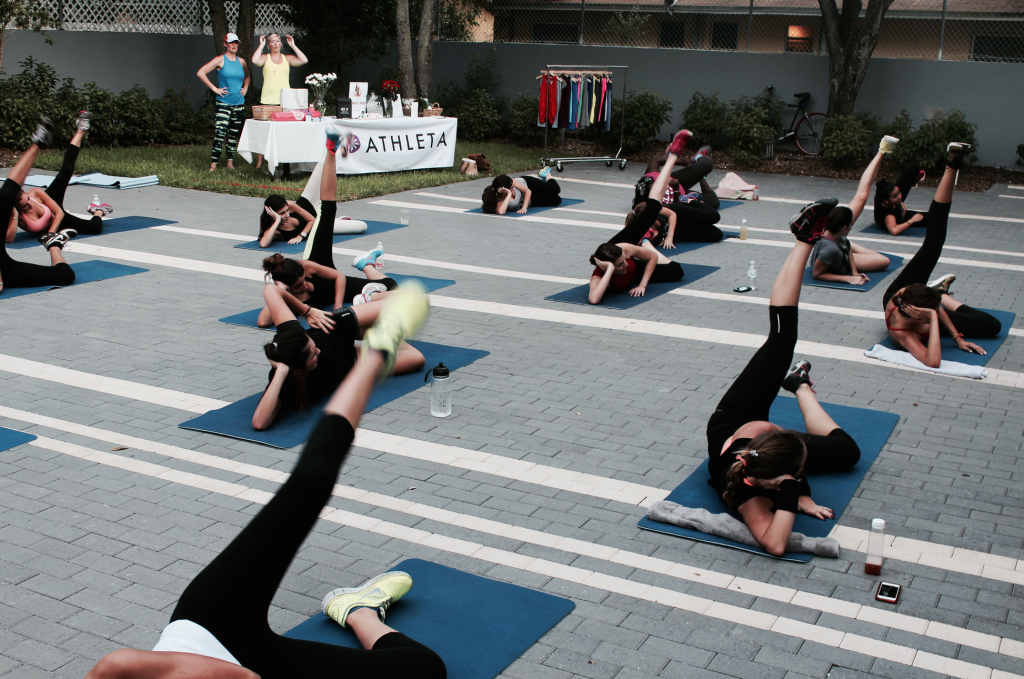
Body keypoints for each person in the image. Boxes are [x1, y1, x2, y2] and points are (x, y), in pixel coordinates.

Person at [84, 285, 447, 679]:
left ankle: (376, 352)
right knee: (425, 669)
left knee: (311, 481)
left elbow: (115, 664)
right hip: (253, 659)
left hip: (213, 622)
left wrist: (306, 312)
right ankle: (358, 609)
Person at [705, 213, 862, 557]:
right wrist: (794, 494)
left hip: (733, 421)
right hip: (761, 453)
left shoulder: (760, 442)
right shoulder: (753, 494)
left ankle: (804, 238)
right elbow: (775, 544)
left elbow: (775, 537)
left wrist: (799, 490)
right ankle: (800, 384)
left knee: (781, 338)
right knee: (849, 452)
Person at [252, 127, 424, 431]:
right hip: (351, 362)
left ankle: (331, 151)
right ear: (296, 370)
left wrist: (309, 312)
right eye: (309, 354)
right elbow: (259, 423)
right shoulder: (287, 383)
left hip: (337, 325)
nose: (314, 348)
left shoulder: (296, 326)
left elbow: (271, 295)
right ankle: (374, 320)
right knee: (417, 360)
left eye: (309, 344)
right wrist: (279, 372)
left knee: (407, 297)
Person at [881, 143, 999, 368]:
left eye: (935, 307)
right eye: (933, 309)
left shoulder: (903, 295)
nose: (936, 312)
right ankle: (940, 294)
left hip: (898, 294)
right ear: (920, 315)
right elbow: (933, 361)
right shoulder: (904, 335)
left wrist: (957, 337)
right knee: (991, 326)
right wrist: (934, 317)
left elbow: (930, 308)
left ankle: (951, 166)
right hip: (915, 305)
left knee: (934, 243)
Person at [587, 131, 691, 305]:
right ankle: (645, 242)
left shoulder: (623, 249)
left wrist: (643, 285)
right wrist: (611, 269)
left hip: (619, 249)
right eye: (621, 265)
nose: (625, 265)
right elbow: (594, 299)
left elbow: (652, 258)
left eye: (623, 261)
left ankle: (672, 155)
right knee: (676, 271)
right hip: (624, 270)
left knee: (653, 209)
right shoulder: (598, 276)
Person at [6, 111, 111, 244]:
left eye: (28, 199)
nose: (30, 203)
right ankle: (98, 210)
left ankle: (81, 129)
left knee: (67, 170)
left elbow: (59, 214)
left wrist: (50, 234)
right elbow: (9, 239)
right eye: (25, 206)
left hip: (54, 210)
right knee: (94, 228)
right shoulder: (15, 215)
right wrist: (14, 215)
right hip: (57, 223)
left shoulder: (35, 194)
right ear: (16, 207)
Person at [0, 118, 79, 295]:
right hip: (7, 272)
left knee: (6, 195)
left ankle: (38, 143)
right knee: (65, 274)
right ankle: (54, 245)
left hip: (3, 267)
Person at [809, 143, 893, 285]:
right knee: (884, 261)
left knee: (862, 197)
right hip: (833, 249)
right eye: (850, 226)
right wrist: (849, 278)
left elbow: (845, 243)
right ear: (845, 227)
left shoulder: (839, 234)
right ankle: (881, 151)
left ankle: (882, 152)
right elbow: (816, 274)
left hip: (837, 240)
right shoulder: (829, 249)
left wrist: (854, 272)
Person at [258, 155, 369, 247]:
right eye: (282, 213)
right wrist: (277, 220)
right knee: (362, 226)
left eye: (287, 211)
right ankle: (337, 220)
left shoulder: (290, 205)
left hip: (309, 204)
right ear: (272, 214)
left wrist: (301, 236)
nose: (287, 215)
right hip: (319, 223)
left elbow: (311, 219)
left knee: (321, 166)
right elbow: (263, 244)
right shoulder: (273, 230)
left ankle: (339, 150)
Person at [633, 143, 723, 244]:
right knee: (714, 203)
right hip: (681, 195)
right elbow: (674, 208)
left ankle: (697, 160)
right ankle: (701, 180)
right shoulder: (655, 203)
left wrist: (680, 161)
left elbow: (655, 160)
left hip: (676, 180)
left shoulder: (652, 177)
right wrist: (675, 190)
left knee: (707, 163)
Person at [251, 32, 309, 170]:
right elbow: (254, 60)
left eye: (277, 41)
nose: (275, 43)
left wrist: (293, 45)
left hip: (285, 100)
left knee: (282, 131)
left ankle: (282, 160)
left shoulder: (287, 58)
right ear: (269, 44)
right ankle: (260, 162)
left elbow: (304, 60)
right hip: (267, 99)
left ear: (281, 44)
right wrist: (260, 45)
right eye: (272, 41)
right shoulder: (265, 58)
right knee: (264, 132)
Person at [197, 32, 250, 172]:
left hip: (238, 103)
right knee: (220, 133)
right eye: (231, 42)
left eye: (236, 42)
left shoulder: (242, 61)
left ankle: (230, 164)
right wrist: (215, 89)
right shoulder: (220, 60)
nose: (234, 45)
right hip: (223, 103)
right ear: (225, 44)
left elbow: (247, 77)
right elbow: (201, 72)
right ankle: (213, 164)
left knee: (233, 134)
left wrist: (245, 88)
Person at [874, 167, 928, 236]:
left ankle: (914, 180)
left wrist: (901, 203)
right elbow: (894, 231)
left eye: (899, 192)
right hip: (900, 218)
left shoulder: (882, 192)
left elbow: (894, 193)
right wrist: (912, 220)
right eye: (895, 196)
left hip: (894, 202)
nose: (900, 197)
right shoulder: (889, 215)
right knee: (934, 218)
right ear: (886, 201)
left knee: (913, 169)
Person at [481, 172, 561, 215]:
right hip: (529, 200)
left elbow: (528, 191)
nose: (513, 184)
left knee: (555, 190)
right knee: (557, 200)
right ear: (504, 189)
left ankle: (547, 175)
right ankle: (543, 183)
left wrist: (524, 208)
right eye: (512, 186)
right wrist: (509, 194)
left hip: (528, 185)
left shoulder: (513, 181)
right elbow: (501, 212)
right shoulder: (499, 199)